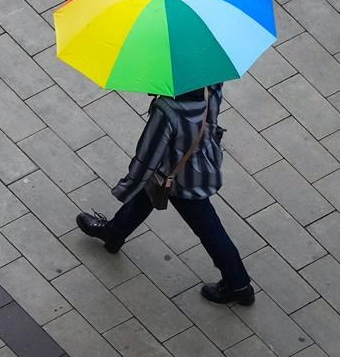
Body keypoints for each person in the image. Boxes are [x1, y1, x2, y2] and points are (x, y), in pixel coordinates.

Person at [75, 83, 255, 306]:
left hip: (180, 178)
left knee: (209, 229)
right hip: (200, 165)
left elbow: (146, 159)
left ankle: (239, 285)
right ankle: (114, 233)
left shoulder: (167, 110)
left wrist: (126, 187)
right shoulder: (212, 84)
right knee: (150, 193)